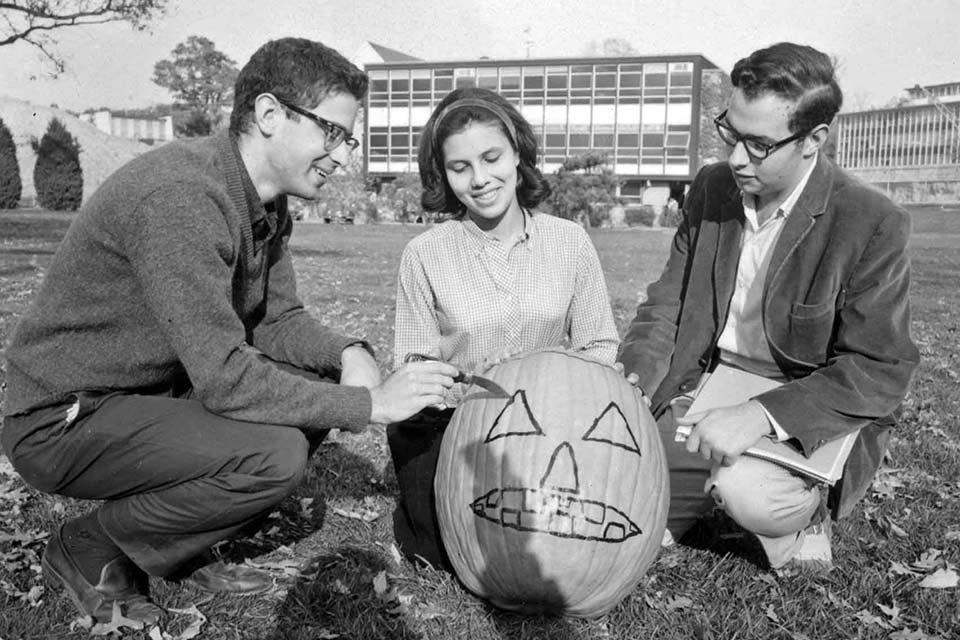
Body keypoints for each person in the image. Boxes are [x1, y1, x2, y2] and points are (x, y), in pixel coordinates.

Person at [1, 38, 458, 625]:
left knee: (310, 381)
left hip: (146, 396)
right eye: (334, 133)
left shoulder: (264, 202)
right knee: (273, 453)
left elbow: (276, 319)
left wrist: (348, 351)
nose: (343, 155)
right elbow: (223, 379)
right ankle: (89, 547)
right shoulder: (181, 197)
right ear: (270, 115)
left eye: (349, 138)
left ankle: (183, 548)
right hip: (65, 418)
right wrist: (368, 404)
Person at [618, 42, 919, 570]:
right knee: (613, 468)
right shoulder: (713, 188)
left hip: (803, 400)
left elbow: (881, 368)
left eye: (757, 144)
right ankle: (691, 479)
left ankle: (804, 515)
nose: (735, 157)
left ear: (813, 140)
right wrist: (634, 383)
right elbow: (667, 304)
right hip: (710, 382)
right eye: (731, 133)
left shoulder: (870, 218)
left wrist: (760, 415)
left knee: (747, 493)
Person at [389, 87, 620, 568]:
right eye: (460, 167)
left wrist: (559, 380)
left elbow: (598, 344)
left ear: (517, 154)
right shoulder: (425, 254)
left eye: (491, 158)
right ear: (443, 174)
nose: (480, 179)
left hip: (552, 418)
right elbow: (413, 368)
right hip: (458, 425)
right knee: (443, 553)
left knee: (559, 537)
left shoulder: (569, 242)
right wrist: (465, 390)